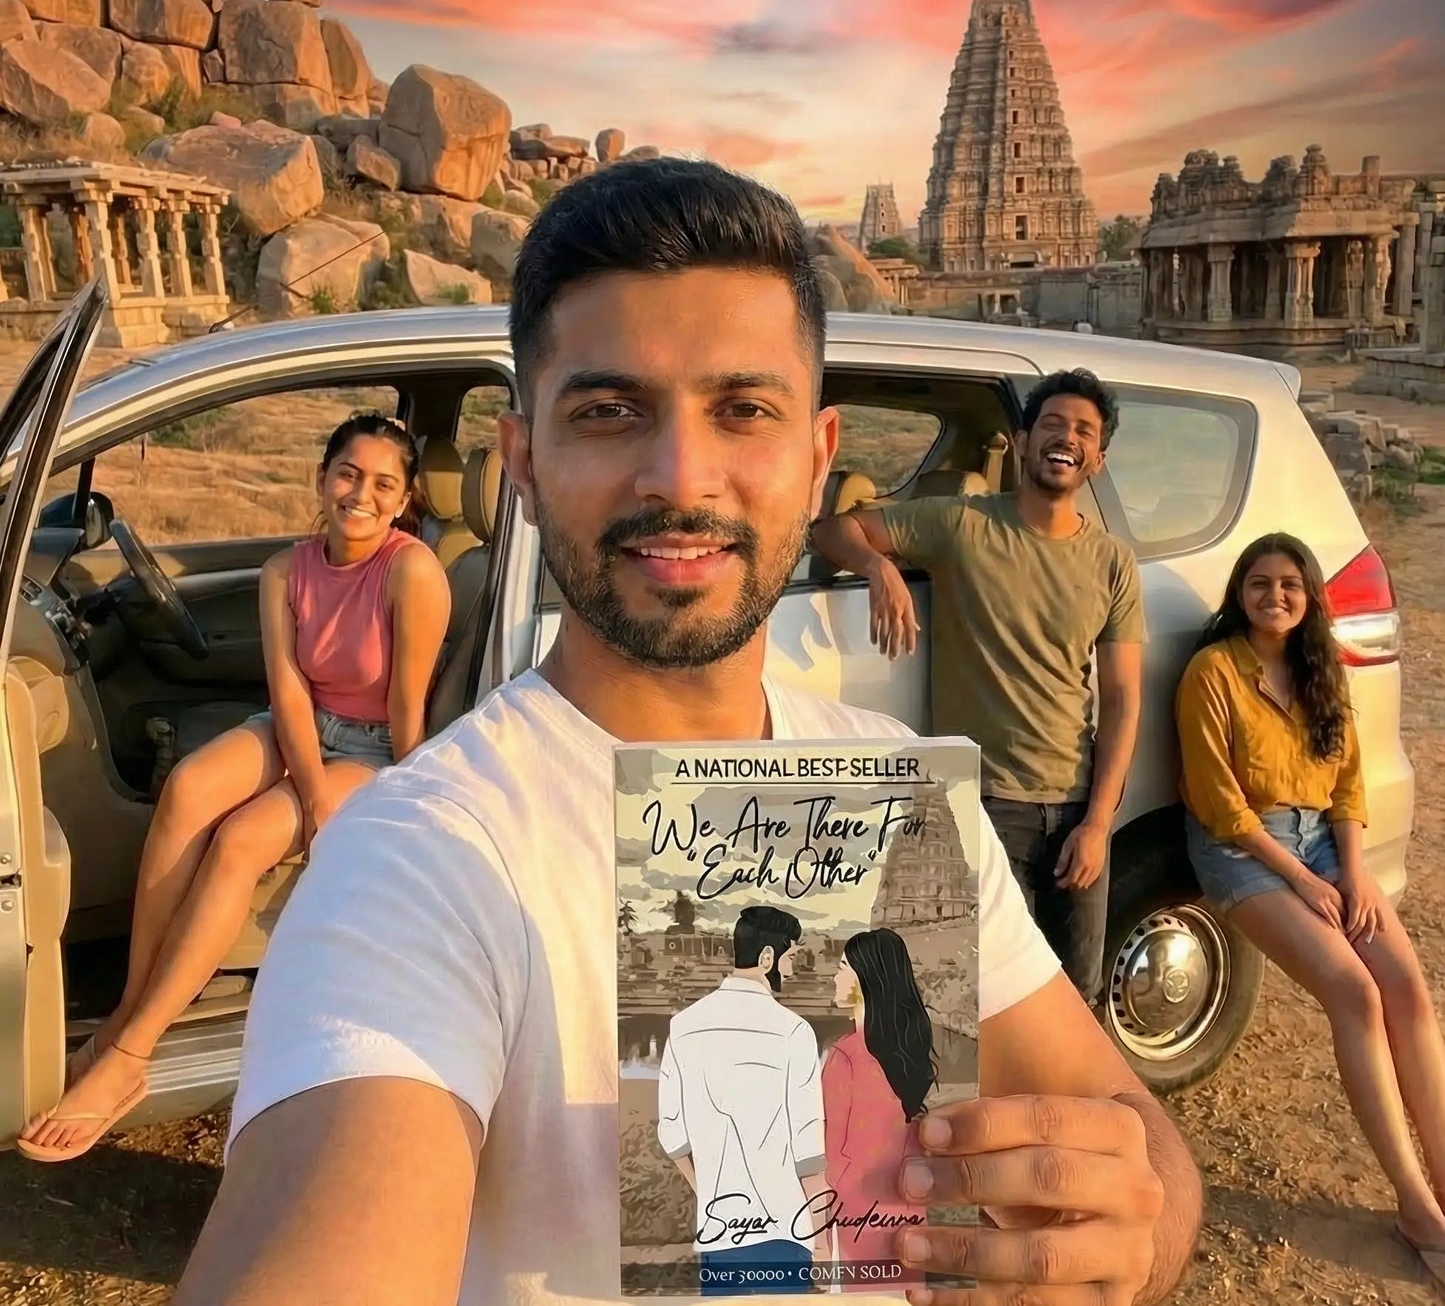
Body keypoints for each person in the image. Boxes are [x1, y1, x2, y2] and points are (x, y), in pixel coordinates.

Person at [175, 158, 1199, 1305]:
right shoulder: (421, 854)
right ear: (522, 463)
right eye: (609, 411)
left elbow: (1136, 1134)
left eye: (741, 409)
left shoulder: (899, 794)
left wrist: (1121, 1236)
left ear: (816, 459)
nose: (679, 475)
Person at [18, 413, 451, 1164]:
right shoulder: (288, 569)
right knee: (187, 788)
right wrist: (308, 779)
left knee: (241, 838)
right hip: (299, 725)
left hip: (375, 746)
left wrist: (395, 818)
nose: (361, 493)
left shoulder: (413, 571)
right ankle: (125, 1008)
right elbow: (285, 687)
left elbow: (408, 709)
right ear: (322, 478)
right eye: (348, 473)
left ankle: (131, 1055)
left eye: (384, 483)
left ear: (404, 497)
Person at [809, 369, 1143, 1011]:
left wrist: (1100, 821)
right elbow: (831, 531)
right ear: (1021, 441)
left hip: (1075, 804)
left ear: (1097, 460)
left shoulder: (1110, 561)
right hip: (989, 803)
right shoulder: (961, 525)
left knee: (1078, 998)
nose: (1064, 439)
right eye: (1050, 424)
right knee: (989, 998)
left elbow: (1123, 699)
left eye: (1082, 431)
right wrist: (880, 566)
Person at [1177, 532, 1445, 1288]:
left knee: (1407, 989)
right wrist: (1300, 878)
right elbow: (1219, 804)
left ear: (1308, 595)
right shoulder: (1212, 672)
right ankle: (1416, 1207)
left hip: (1327, 846)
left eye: (1289, 583)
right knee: (1353, 992)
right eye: (1259, 583)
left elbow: (1349, 787)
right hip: (1246, 851)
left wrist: (1353, 874)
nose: (1275, 596)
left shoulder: (1320, 669)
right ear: (1239, 593)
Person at [657, 906, 828, 1294]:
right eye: (790, 959)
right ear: (767, 957)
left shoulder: (682, 1027)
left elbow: (671, 1134)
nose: (790, 970)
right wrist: (821, 1239)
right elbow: (808, 1152)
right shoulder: (794, 1032)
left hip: (719, 1230)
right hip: (786, 1228)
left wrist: (712, 1194)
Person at [821, 929, 935, 1288]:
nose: (834, 977)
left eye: (842, 968)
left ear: (863, 978)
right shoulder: (908, 1048)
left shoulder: (844, 1056)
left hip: (854, 1209)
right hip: (905, 1203)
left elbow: (830, 1155)